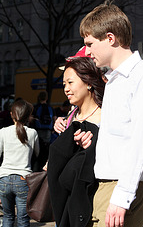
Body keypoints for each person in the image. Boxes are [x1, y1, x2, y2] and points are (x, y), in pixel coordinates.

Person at [73, 0, 143, 227]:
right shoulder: (117, 80)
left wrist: (123, 194)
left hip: (124, 187)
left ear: (110, 38)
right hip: (116, 185)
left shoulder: (142, 77)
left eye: (89, 43)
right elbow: (125, 137)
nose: (86, 51)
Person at [48, 55, 105, 226]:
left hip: (95, 198)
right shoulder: (71, 116)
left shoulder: (107, 115)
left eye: (70, 83)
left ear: (88, 82)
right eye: (64, 84)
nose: (66, 89)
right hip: (67, 199)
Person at [0, 99, 39, 227]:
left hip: (4, 178)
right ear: (28, 116)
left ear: (12, 114)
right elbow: (37, 154)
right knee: (23, 220)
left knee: (8, 217)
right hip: (23, 178)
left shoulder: (3, 132)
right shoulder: (32, 133)